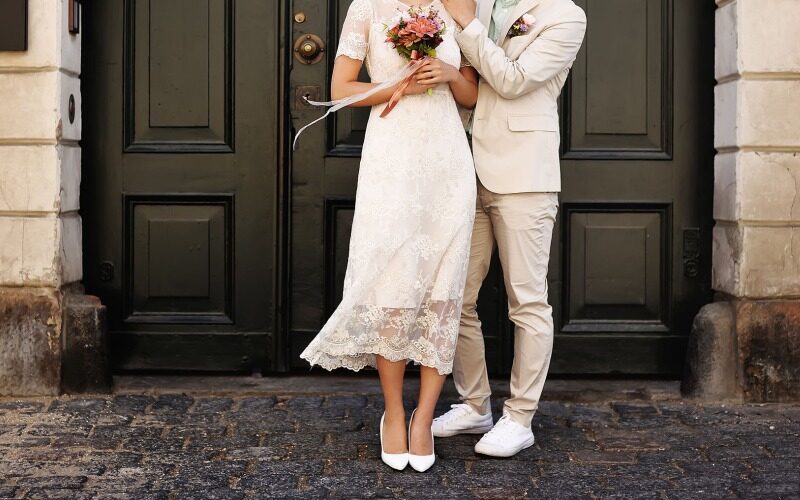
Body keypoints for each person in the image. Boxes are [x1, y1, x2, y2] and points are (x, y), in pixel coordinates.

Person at [300, 0, 479, 472]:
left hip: (448, 162)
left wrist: (448, 74)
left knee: (443, 291)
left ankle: (424, 418)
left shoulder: (459, 5)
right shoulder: (367, 7)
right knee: (395, 286)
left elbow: (473, 95)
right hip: (392, 159)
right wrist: (399, 83)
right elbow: (341, 87)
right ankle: (395, 413)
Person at [432, 0, 586, 457]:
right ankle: (474, 404)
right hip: (462, 169)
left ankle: (519, 418)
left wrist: (465, 22)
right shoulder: (480, 1)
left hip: (523, 176)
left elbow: (512, 80)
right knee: (455, 296)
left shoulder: (566, 16)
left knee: (527, 301)